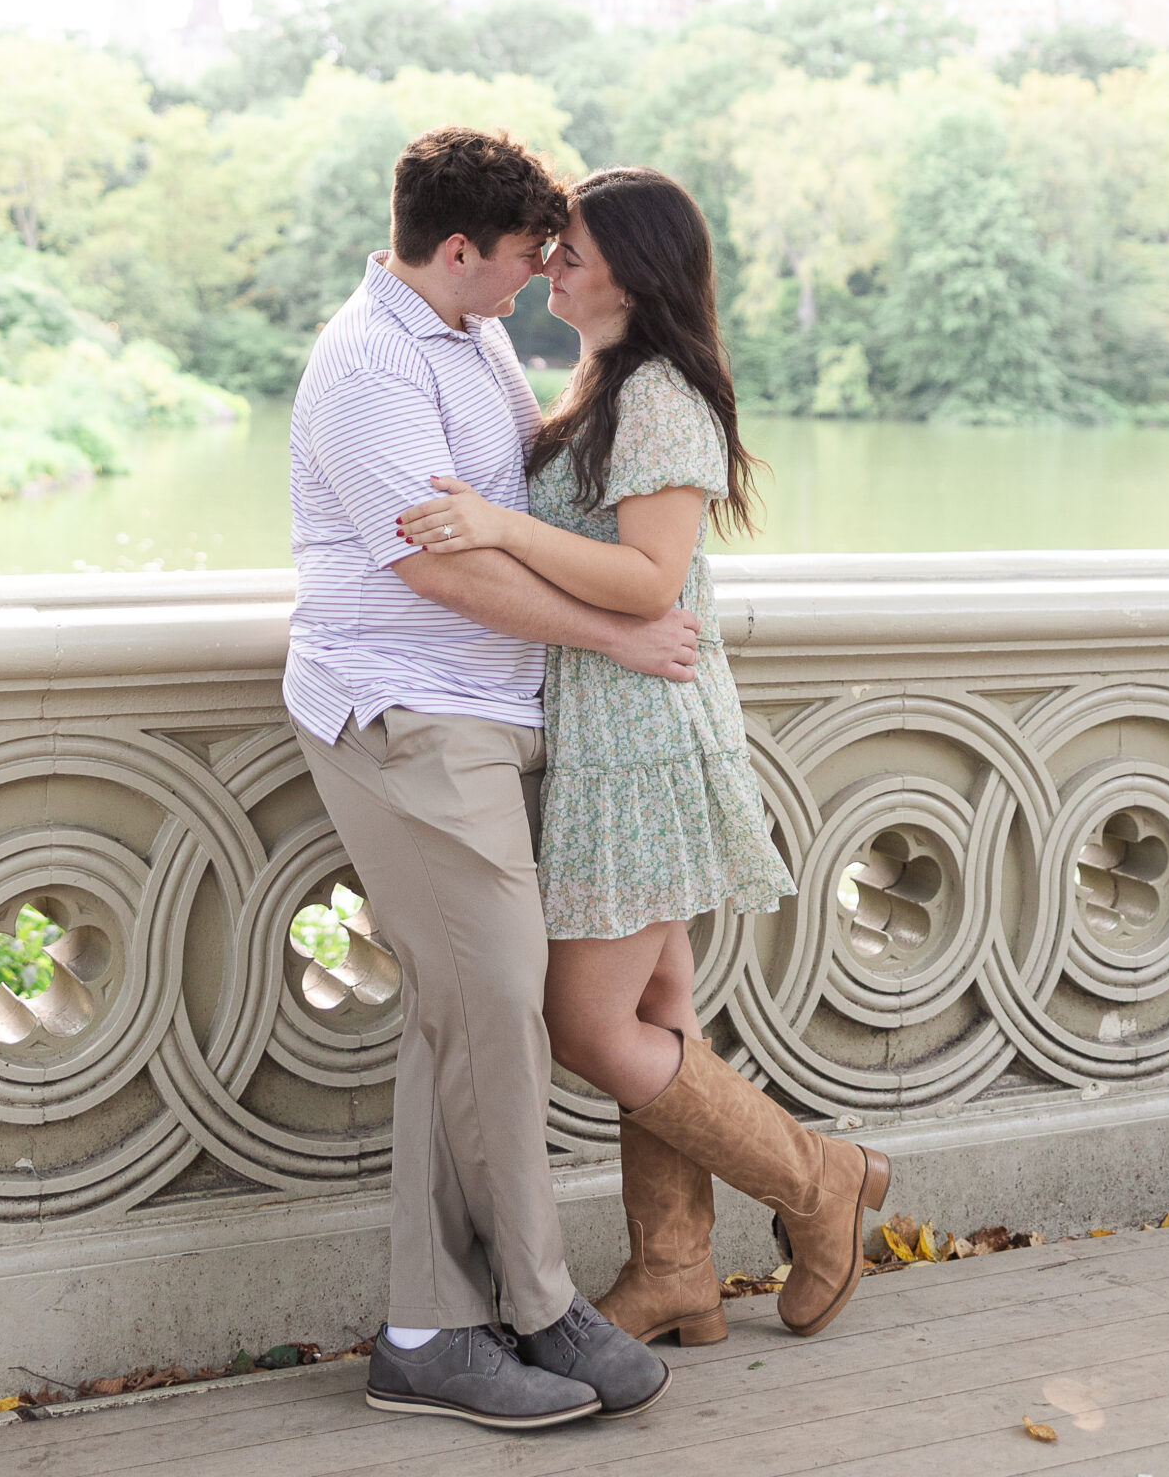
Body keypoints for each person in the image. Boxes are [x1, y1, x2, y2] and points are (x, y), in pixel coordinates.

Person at [398, 167, 891, 1353]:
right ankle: (675, 1269)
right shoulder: (598, 379)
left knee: (587, 1023)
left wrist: (500, 522)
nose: (552, 258)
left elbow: (648, 580)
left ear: (638, 265)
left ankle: (821, 1181)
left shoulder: (660, 393)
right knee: (662, 1007)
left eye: (574, 245)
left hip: (647, 738)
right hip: (607, 724)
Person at [285, 127, 700, 1432]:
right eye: (524, 258)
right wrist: (623, 633)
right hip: (406, 719)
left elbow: (518, 516)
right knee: (503, 1004)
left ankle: (424, 1333)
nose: (535, 278)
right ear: (453, 251)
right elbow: (439, 568)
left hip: (491, 712)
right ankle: (535, 1299)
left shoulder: (467, 339)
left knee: (458, 1015)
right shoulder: (364, 369)